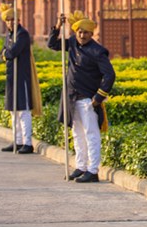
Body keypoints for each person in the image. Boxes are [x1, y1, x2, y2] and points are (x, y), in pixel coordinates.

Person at [48, 11, 115, 183]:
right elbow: (52, 45)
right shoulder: (72, 43)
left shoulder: (98, 51)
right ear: (75, 32)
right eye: (79, 32)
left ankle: (93, 170)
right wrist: (58, 26)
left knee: (91, 134)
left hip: (88, 99)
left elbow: (110, 75)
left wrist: (98, 98)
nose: (82, 35)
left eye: (85, 32)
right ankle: (81, 166)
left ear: (92, 34)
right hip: (72, 97)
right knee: (77, 134)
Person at [0, 5, 42, 153]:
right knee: (13, 111)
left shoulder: (22, 34)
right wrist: (6, 53)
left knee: (23, 111)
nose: (11, 22)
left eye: (13, 19)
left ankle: (27, 143)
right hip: (11, 77)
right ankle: (17, 141)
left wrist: (7, 53)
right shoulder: (10, 35)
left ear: (19, 20)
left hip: (22, 77)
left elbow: (12, 52)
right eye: (8, 20)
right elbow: (3, 53)